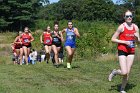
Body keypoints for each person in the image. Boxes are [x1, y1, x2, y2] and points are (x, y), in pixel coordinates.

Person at [108, 10, 140, 93]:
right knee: (124, 72)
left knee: (127, 72)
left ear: (132, 17)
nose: (129, 17)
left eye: (130, 16)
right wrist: (124, 42)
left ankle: (122, 89)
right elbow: (113, 39)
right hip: (122, 50)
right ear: (124, 18)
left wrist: (137, 38)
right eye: (127, 16)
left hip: (131, 50)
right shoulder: (121, 27)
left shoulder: (135, 27)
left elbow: (138, 41)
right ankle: (115, 72)